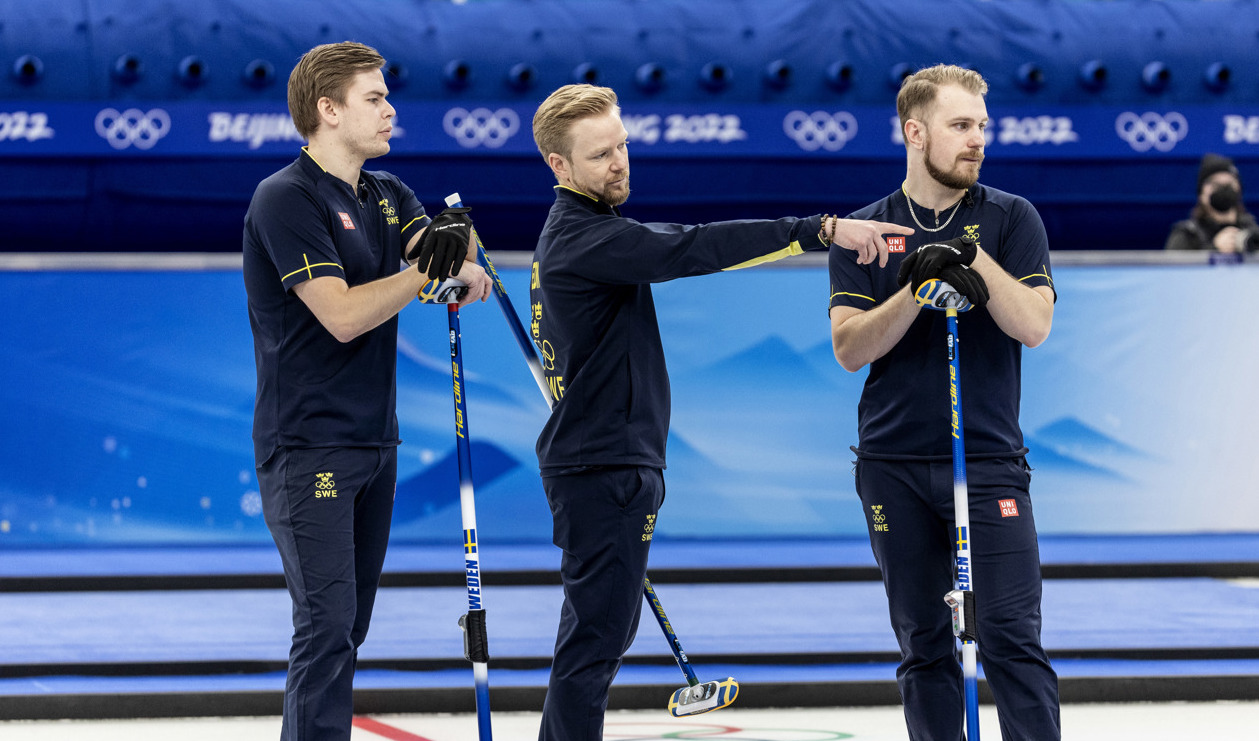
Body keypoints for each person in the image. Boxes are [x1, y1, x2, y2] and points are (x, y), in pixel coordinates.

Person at [527, 83, 911, 741]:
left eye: (620, 145)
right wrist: (816, 229)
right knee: (594, 640)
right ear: (560, 168)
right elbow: (689, 248)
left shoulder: (587, 233)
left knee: (594, 634)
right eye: (599, 155)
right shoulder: (583, 238)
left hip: (606, 462)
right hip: (603, 467)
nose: (619, 162)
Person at [242, 41, 491, 741]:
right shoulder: (285, 197)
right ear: (328, 109)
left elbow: (458, 266)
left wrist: (459, 258)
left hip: (375, 440)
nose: (390, 111)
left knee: (347, 628)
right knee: (324, 630)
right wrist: (427, 270)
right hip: (306, 441)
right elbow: (345, 315)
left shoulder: (387, 193)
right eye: (374, 98)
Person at [828, 64, 1060, 740]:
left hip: (986, 460)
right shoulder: (865, 230)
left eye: (981, 126)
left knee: (1011, 636)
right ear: (914, 131)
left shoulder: (1012, 218)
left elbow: (1033, 324)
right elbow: (849, 347)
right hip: (891, 464)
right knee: (923, 643)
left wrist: (970, 257)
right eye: (960, 126)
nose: (976, 140)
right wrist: (917, 288)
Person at [1164, 153, 1259, 256]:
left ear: (1239, 189)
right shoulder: (1187, 235)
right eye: (1215, 184)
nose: (1223, 188)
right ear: (1201, 194)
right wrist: (1214, 249)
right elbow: (1171, 269)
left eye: (1229, 183)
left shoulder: (1253, 231)